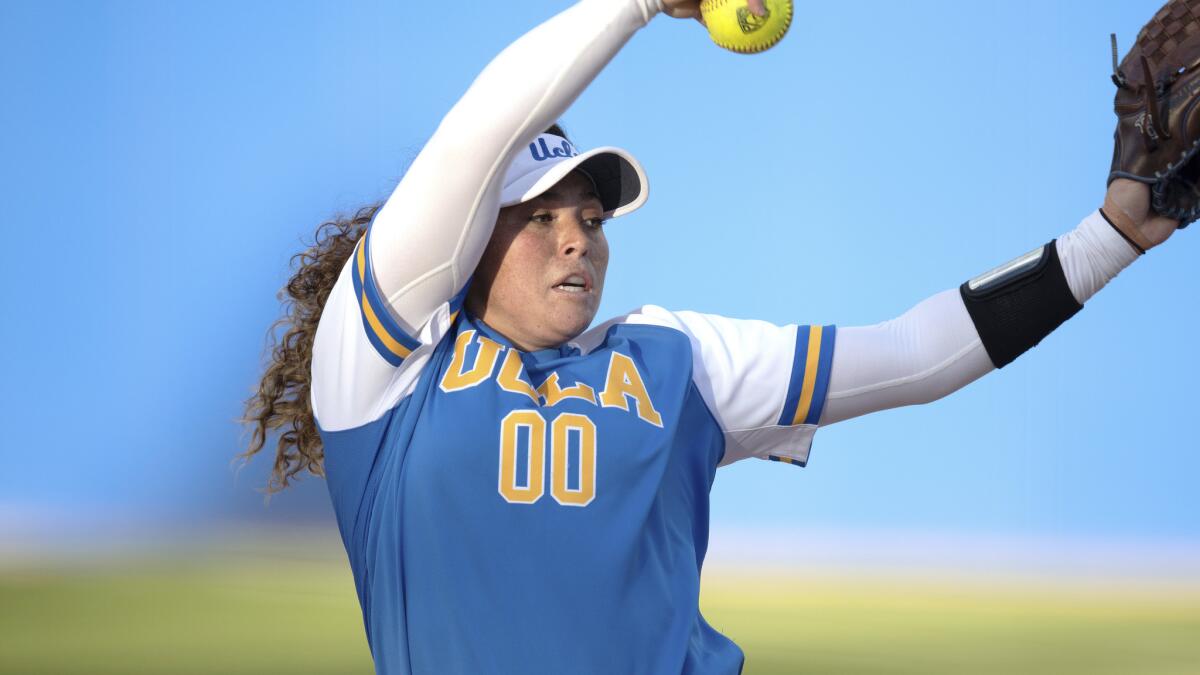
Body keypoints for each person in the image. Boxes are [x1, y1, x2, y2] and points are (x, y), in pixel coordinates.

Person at [241, 1, 1180, 673]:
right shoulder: (382, 369)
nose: (577, 236)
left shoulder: (672, 359)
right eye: (537, 215)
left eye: (594, 217)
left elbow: (913, 355)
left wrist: (1111, 238)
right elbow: (472, 139)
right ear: (464, 237)